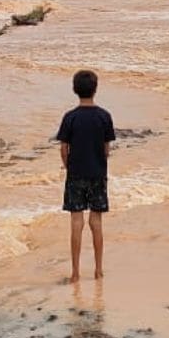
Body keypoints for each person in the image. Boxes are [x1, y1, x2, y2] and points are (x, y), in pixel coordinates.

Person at [56, 69, 116, 283]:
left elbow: (64, 148)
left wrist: (68, 166)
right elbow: (106, 148)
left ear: (75, 89)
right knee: (96, 222)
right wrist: (100, 164)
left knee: (76, 222)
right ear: (95, 89)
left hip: (76, 175)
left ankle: (75, 272)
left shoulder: (70, 117)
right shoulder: (104, 116)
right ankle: (98, 270)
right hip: (97, 174)